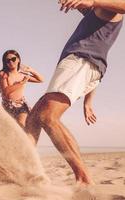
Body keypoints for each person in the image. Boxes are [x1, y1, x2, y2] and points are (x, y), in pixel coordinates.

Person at [25, 0, 125, 185]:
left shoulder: (107, 7)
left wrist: (93, 1)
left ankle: (84, 179)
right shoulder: (96, 14)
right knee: (34, 116)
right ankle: (24, 166)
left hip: (80, 61)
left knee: (48, 116)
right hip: (82, 65)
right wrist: (88, 102)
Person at [0, 50, 43, 128]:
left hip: (21, 106)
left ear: (18, 60)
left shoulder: (22, 75)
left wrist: (31, 70)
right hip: (8, 106)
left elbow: (41, 80)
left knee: (22, 125)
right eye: (7, 60)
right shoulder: (3, 74)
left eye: (13, 59)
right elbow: (5, 92)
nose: (11, 62)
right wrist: (21, 83)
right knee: (9, 130)